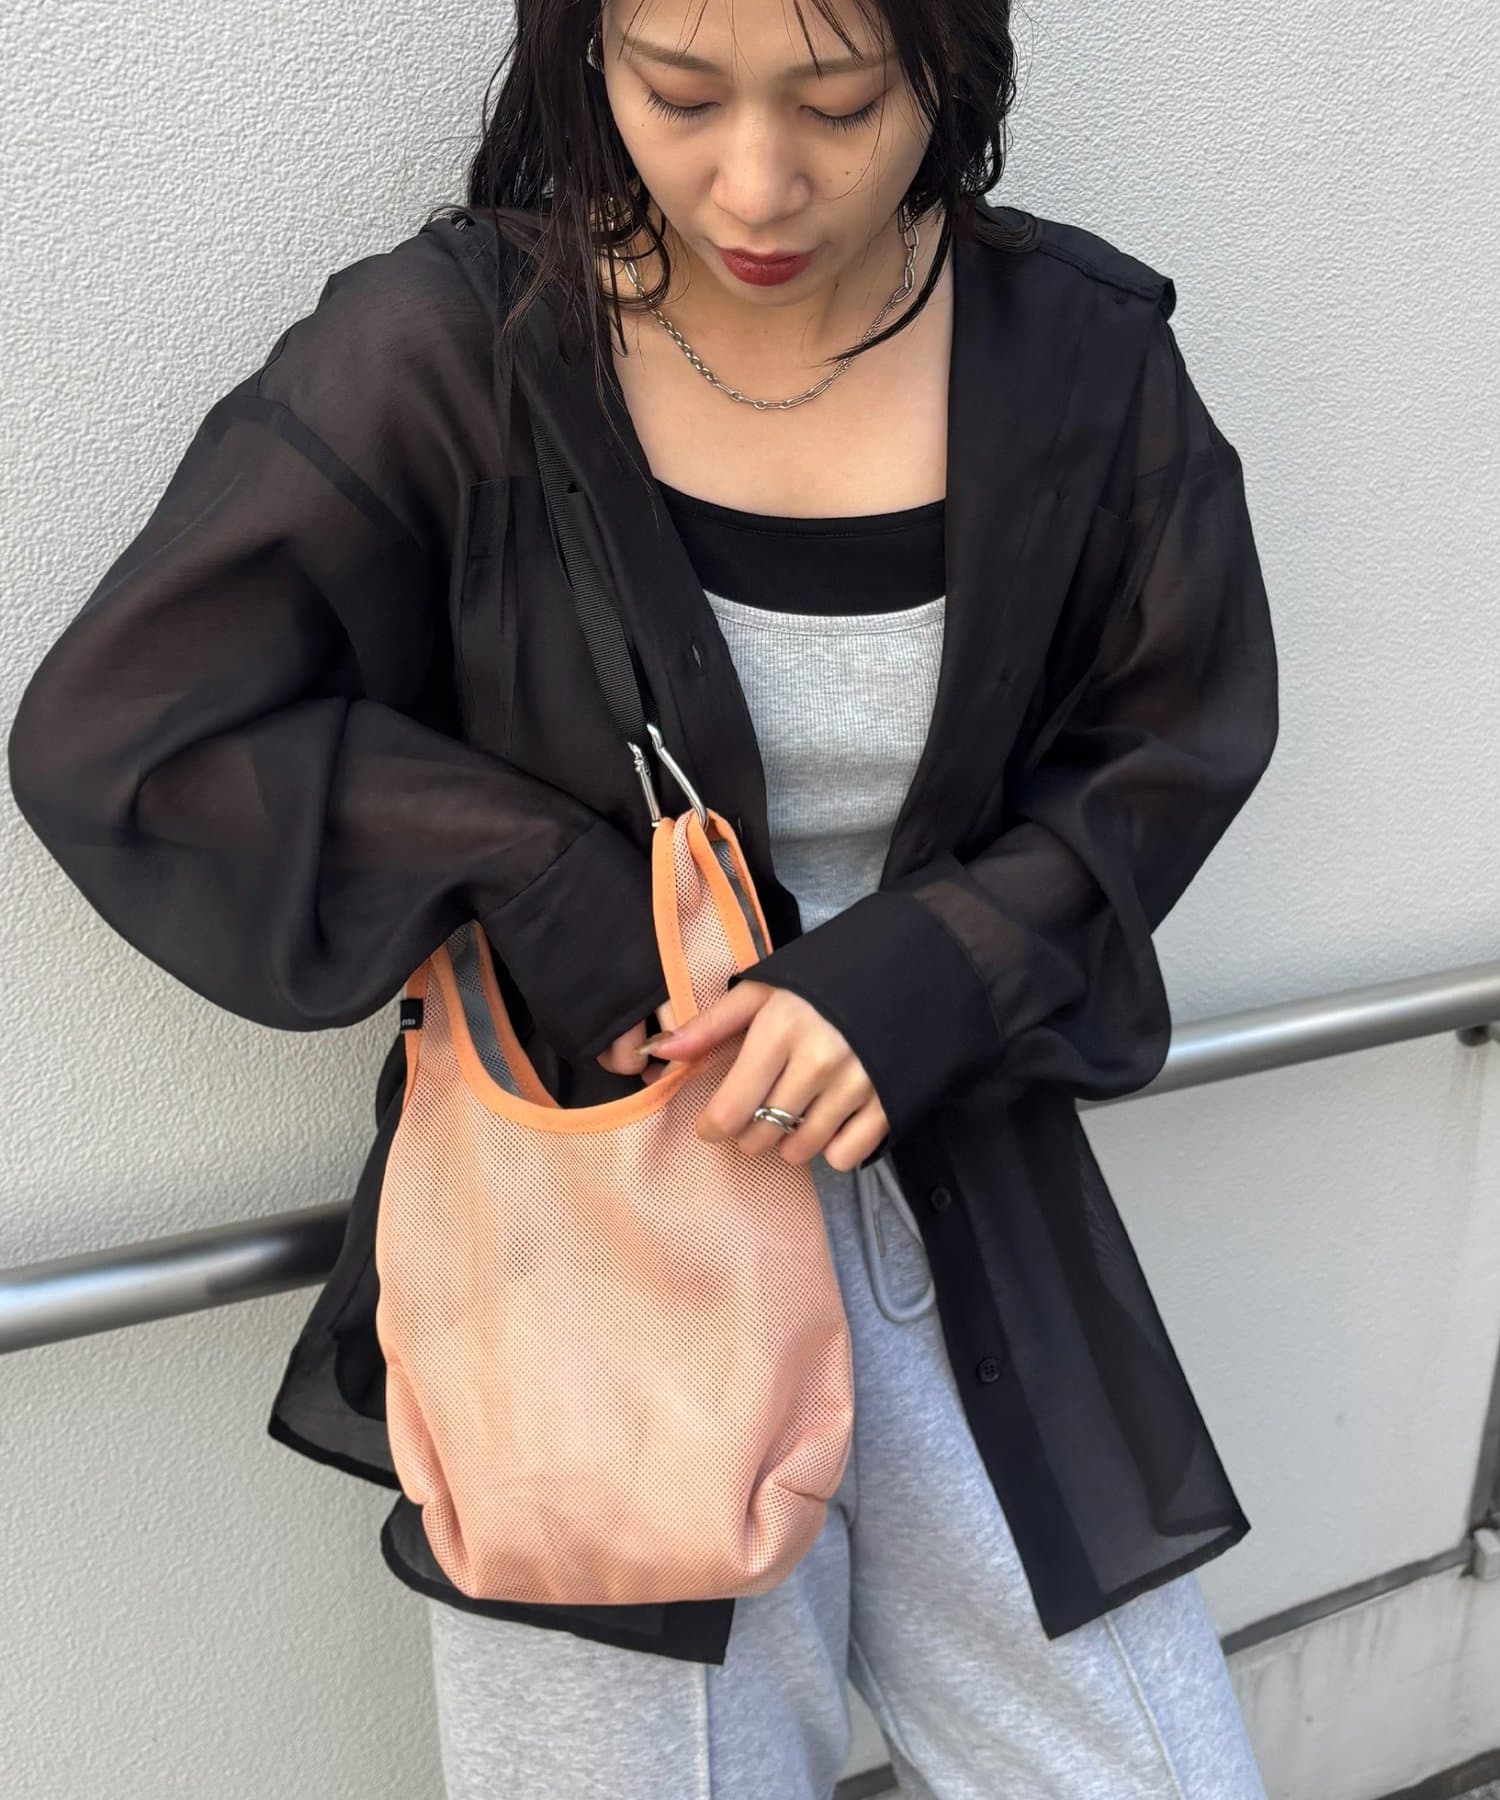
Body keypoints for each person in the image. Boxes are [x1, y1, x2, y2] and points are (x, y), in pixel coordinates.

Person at [7, 0, 1279, 1793]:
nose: (755, 182)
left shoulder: (1073, 358)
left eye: (840, 103)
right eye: (679, 94)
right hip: (594, 1255)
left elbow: (1173, 732)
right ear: (582, 52)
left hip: (958, 1210)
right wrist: (544, 877)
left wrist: (935, 968)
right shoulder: (454, 352)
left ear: (950, 65)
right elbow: (134, 731)